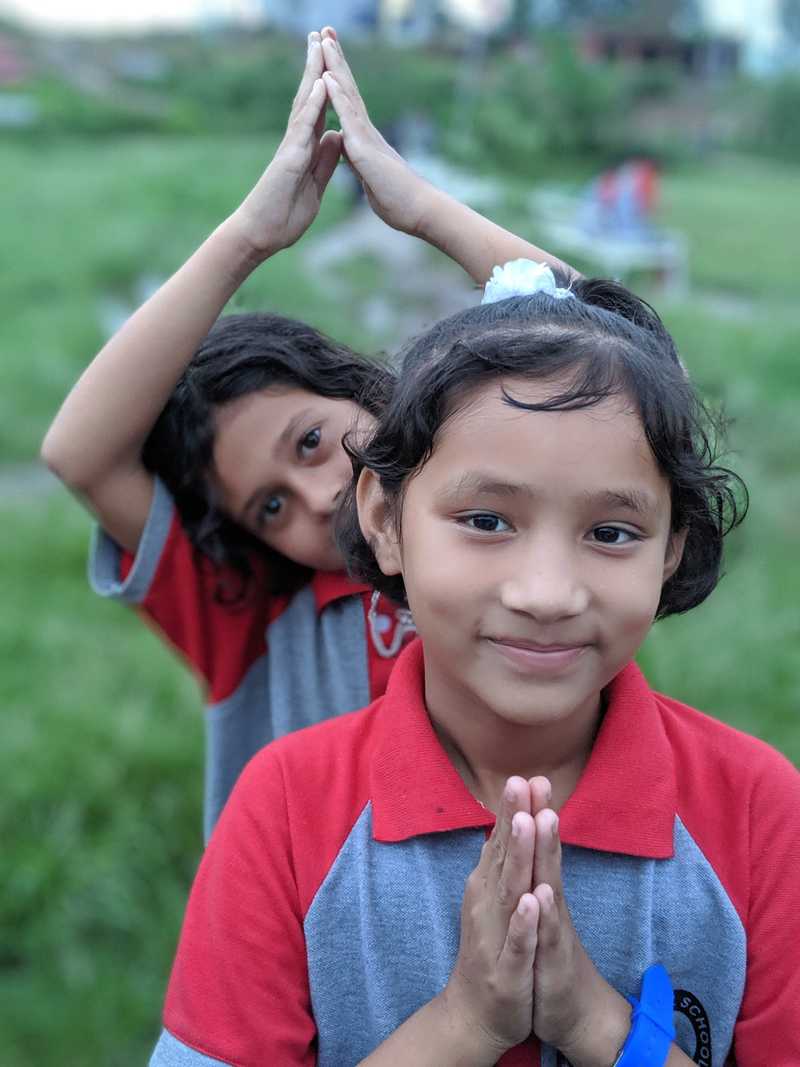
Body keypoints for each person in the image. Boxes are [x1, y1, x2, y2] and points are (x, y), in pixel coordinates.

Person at [148, 260, 799, 1066]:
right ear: (384, 516)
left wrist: (599, 1024)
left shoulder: (759, 811)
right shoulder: (283, 811)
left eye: (612, 532)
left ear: (672, 549)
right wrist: (465, 1024)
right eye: (488, 518)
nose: (547, 592)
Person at [41, 29, 577, 837]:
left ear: (364, 391)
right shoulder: (249, 619)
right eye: (269, 509)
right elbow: (76, 453)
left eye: (311, 441)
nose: (321, 495)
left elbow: (606, 350)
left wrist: (419, 206)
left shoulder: (496, 526)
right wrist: (247, 236)